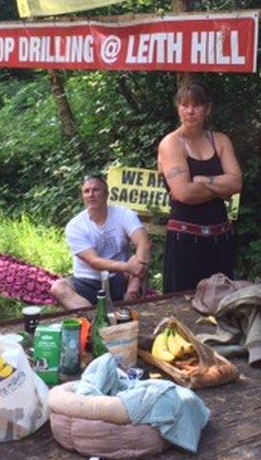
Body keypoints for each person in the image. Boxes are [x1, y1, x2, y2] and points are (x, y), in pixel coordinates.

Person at [157, 83, 242, 293]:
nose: (190, 111)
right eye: (184, 105)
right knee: (182, 304)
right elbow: (184, 193)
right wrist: (220, 185)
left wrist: (202, 180)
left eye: (197, 105)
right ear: (178, 108)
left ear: (208, 109)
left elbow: (236, 184)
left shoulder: (220, 141)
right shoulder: (171, 143)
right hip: (185, 239)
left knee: (221, 304)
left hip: (220, 236)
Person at [50, 175, 152, 309]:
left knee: (139, 258)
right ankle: (94, 318)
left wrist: (136, 278)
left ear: (106, 194)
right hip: (87, 281)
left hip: (120, 279)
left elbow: (144, 243)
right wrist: (127, 267)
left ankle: (130, 306)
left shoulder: (124, 214)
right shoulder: (75, 226)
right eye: (86, 191)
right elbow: (94, 262)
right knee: (58, 287)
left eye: (96, 190)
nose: (91, 195)